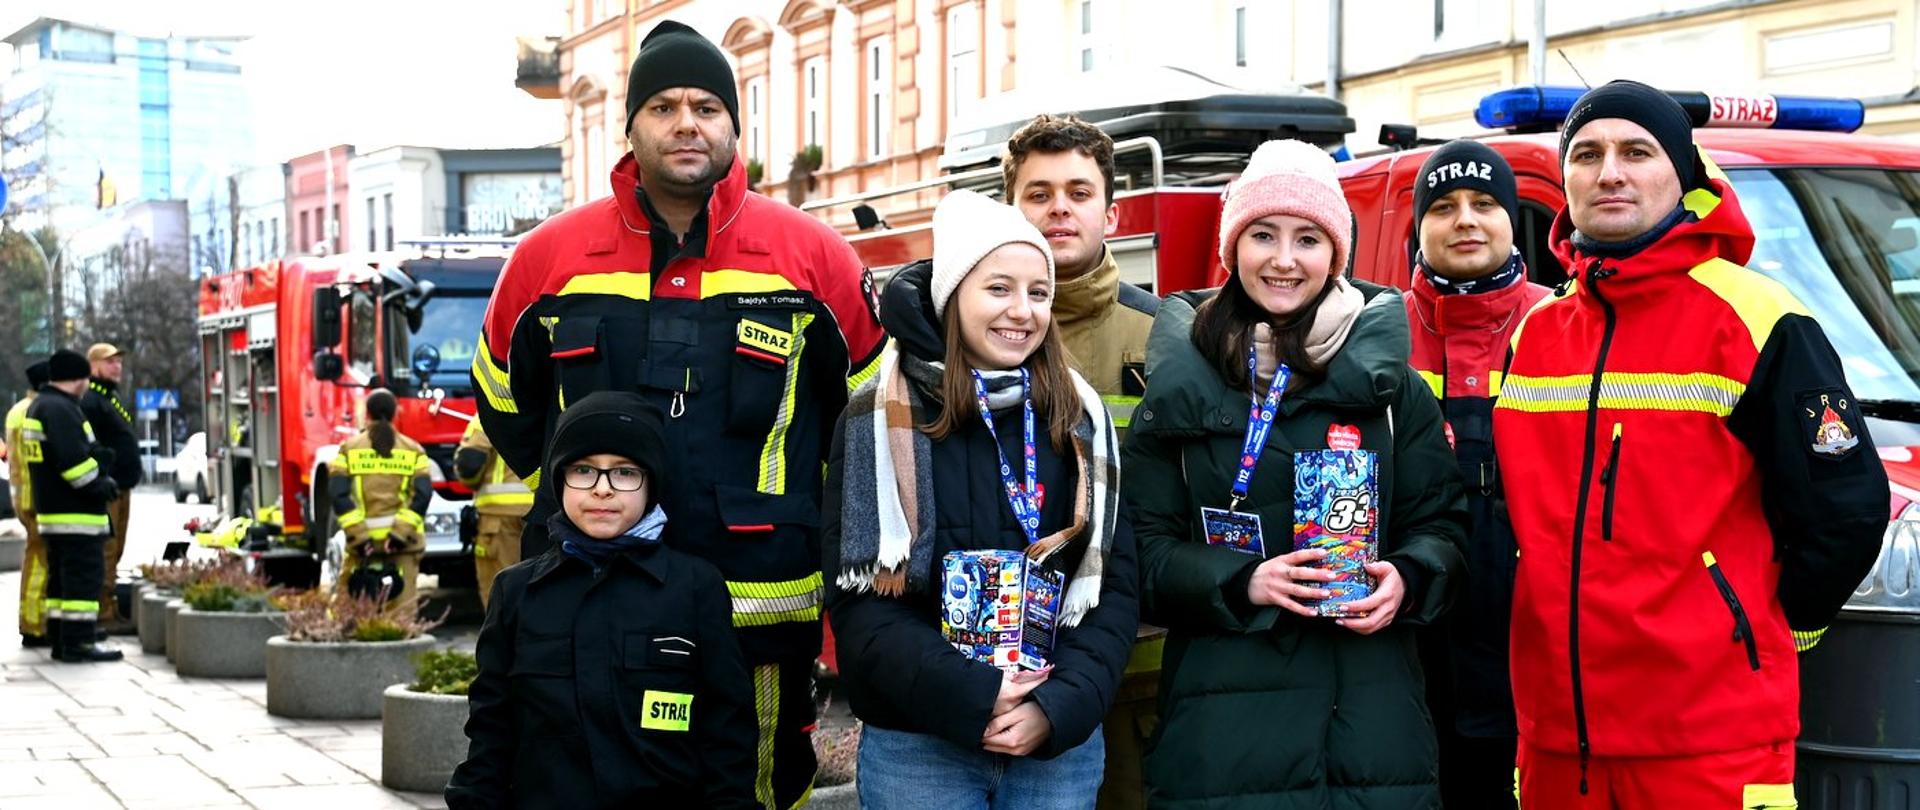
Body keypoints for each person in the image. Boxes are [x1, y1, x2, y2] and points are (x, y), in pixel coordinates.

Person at [471, 20, 884, 808]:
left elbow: (870, 415)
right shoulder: (549, 258)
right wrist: (579, 494)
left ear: (736, 124)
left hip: (760, 601)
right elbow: (501, 396)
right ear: (630, 126)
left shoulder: (813, 255)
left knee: (759, 786)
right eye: (662, 106)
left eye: (706, 106)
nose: (686, 123)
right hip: (590, 598)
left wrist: (814, 516)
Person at [1494, 80, 1889, 809]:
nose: (1609, 171)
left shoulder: (1757, 316)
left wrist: (1770, 629)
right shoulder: (1535, 334)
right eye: (1586, 154)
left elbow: (1847, 507)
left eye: (1636, 151)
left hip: (1710, 740)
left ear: (1684, 175)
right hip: (1555, 740)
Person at [1121, 140, 1468, 809]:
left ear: (1335, 255)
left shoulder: (1393, 388)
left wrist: (1411, 577)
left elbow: (1444, 526)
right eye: (1263, 235)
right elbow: (1139, 552)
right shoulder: (1181, 381)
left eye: (1308, 239)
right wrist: (1239, 578)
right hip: (1221, 744)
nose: (1284, 260)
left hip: (1372, 736)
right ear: (1233, 248)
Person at [824, 189, 1137, 809]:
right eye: (998, 289)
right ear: (952, 296)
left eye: (1038, 292)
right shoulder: (875, 420)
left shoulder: (1081, 420)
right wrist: (976, 693)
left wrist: (1056, 705)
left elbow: (1114, 587)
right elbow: (859, 604)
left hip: (1054, 745)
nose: (1022, 311)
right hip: (920, 746)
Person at [448, 391, 757, 809]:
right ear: (560, 481)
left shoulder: (695, 587)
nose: (602, 490)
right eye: (583, 470)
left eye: (625, 473)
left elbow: (728, 730)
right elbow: (490, 732)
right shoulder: (517, 593)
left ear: (651, 483)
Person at [1002, 112, 1161, 810]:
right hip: (1009, 678)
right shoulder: (961, 339)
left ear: (1113, 212)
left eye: (1077, 191)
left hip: (1143, 671)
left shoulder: (1171, 337)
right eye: (1038, 194)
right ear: (1009, 210)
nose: (1058, 208)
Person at [1403, 140, 1548, 810]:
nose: (1465, 219)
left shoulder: (1561, 324)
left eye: (1484, 203)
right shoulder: (1376, 332)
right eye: (1444, 206)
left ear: (1510, 218)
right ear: (1418, 227)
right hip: (1407, 651)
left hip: (1535, 656)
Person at [25, 349, 123, 663]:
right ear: (80, 379)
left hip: (55, 512)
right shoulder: (61, 410)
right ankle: (79, 642)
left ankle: (61, 637)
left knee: (61, 582)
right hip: (75, 513)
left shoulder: (43, 405)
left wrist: (98, 456)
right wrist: (101, 484)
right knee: (83, 579)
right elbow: (72, 465)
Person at [326, 389, 431, 609]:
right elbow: (421, 497)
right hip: (403, 548)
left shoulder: (348, 450)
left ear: (367, 414)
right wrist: (398, 536)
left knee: (354, 616)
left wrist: (361, 538)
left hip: (362, 550)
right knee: (401, 618)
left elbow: (338, 495)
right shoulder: (414, 451)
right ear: (395, 414)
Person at [79, 343, 138, 632]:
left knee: (117, 549)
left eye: (119, 362)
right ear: (93, 366)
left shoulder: (109, 398)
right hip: (108, 489)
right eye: (110, 361)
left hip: (121, 486)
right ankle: (103, 611)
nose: (117, 367)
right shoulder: (91, 401)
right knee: (107, 548)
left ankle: (110, 606)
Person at [453, 421, 530, 609]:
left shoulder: (489, 410)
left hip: (498, 518)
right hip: (545, 515)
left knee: (502, 592)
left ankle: (505, 638)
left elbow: (469, 463)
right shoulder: (549, 404)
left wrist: (472, 483)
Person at [6, 361, 51, 647]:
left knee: (37, 561)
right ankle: (34, 624)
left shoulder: (18, 410)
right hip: (37, 498)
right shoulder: (36, 410)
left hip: (23, 496)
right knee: (38, 564)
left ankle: (35, 620)